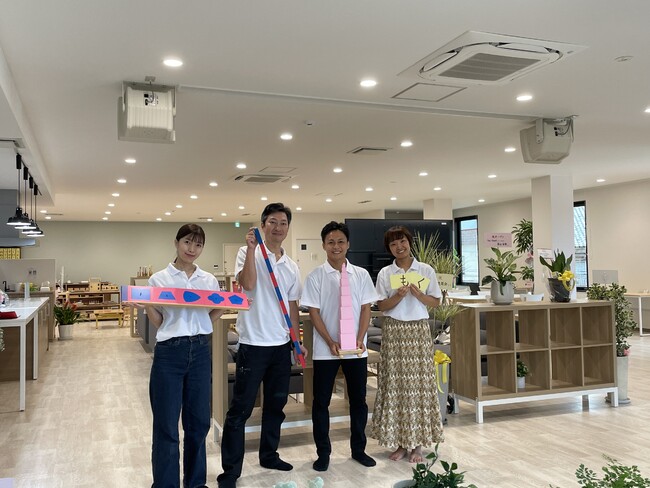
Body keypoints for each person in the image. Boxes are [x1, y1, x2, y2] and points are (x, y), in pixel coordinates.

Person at [217, 202, 307, 488]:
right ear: (263, 225)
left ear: (288, 227)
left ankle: (269, 455)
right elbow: (247, 284)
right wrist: (251, 250)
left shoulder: (291, 265)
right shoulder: (248, 253)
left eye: (283, 223)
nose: (278, 227)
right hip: (253, 343)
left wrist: (296, 341)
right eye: (272, 222)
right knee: (240, 410)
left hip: (281, 345)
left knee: (276, 405)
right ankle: (231, 470)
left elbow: (292, 306)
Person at [145, 223, 224, 488]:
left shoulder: (208, 280)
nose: (192, 249)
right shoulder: (159, 279)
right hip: (169, 353)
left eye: (198, 244)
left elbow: (216, 309)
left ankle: (195, 483)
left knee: (198, 423)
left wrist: (209, 319)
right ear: (176, 243)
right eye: (187, 242)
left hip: (200, 351)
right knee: (167, 425)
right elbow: (159, 322)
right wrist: (146, 304)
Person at [301, 221, 379, 472]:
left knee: (359, 400)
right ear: (324, 245)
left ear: (348, 244)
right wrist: (330, 341)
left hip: (356, 350)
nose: (336, 246)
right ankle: (323, 453)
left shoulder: (361, 275)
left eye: (340, 242)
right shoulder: (315, 276)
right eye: (331, 242)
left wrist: (360, 338)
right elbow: (314, 312)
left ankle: (359, 450)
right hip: (326, 351)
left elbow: (366, 308)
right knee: (321, 402)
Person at [371, 225, 444, 463]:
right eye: (393, 244)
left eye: (402, 241)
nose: (399, 247)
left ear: (409, 242)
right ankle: (401, 443)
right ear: (389, 249)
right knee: (396, 385)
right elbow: (381, 305)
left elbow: (435, 302)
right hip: (394, 331)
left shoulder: (425, 269)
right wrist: (398, 296)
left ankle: (418, 445)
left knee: (419, 386)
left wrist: (418, 294)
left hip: (418, 330)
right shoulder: (385, 273)